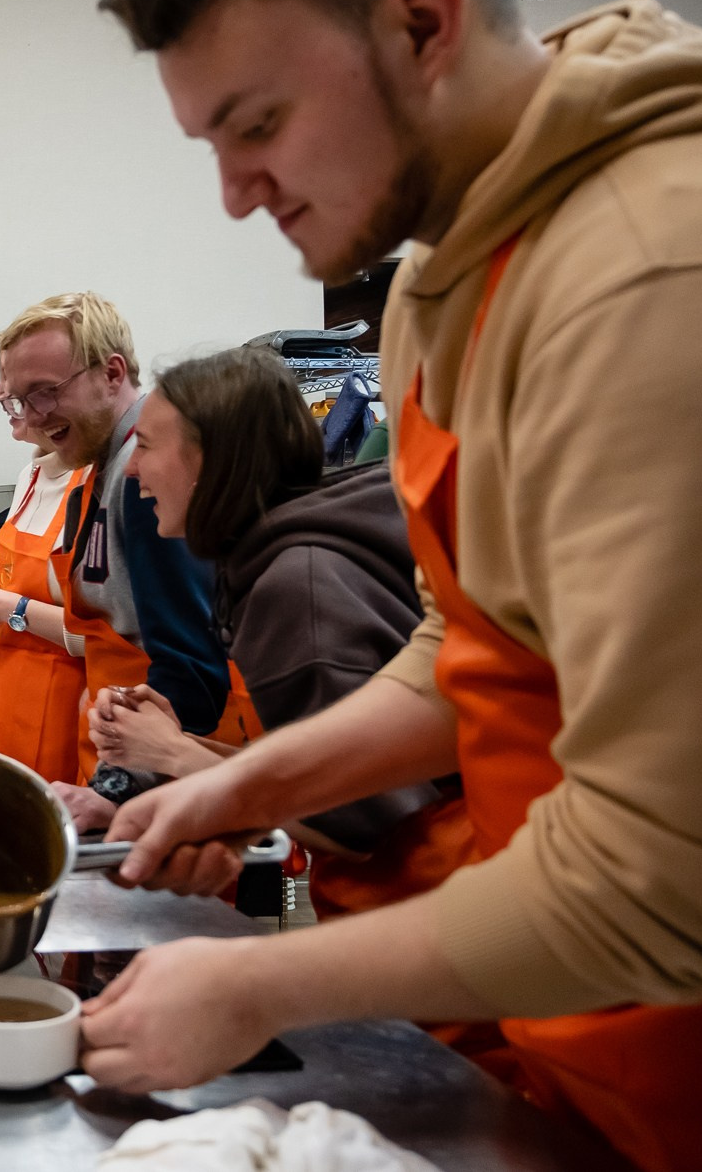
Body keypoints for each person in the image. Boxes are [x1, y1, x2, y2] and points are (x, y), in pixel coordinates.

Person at [83, 0, 702, 1166]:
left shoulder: (656, 272)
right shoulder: (442, 278)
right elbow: (472, 639)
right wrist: (242, 781)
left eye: (257, 125)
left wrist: (256, 981)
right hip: (579, 1048)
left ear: (425, 22)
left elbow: (666, 878)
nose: (238, 196)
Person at [93, 346, 473, 922]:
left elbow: (364, 817)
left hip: (430, 914)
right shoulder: (283, 553)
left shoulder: (299, 589)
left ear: (211, 462)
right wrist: (175, 747)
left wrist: (172, 755)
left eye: (145, 446)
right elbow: (318, 763)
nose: (134, 470)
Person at [0, 294, 251, 822]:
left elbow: (191, 669)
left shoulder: (145, 477)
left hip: (181, 780)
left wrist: (115, 791)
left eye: (46, 392)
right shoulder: (97, 472)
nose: (37, 417)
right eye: (20, 401)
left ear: (112, 373)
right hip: (139, 765)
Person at [0, 310, 90, 778]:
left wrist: (9, 608)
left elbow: (97, 636)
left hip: (64, 717)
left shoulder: (95, 485)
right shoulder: (30, 475)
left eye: (21, 387)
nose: (0, 395)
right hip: (2, 704)